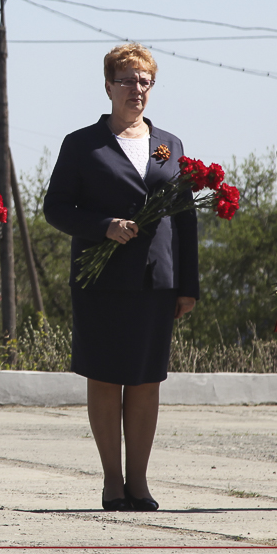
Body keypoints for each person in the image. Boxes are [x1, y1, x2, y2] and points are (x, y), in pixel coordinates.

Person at [43, 43, 198, 512]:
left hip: (156, 282)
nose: (138, 89)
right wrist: (103, 227)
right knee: (107, 378)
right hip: (102, 282)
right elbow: (56, 208)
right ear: (108, 86)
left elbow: (186, 217)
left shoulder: (169, 144)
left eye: (145, 81)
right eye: (128, 80)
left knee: (146, 380)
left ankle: (140, 482)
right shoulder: (82, 144)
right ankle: (113, 481)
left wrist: (188, 283)